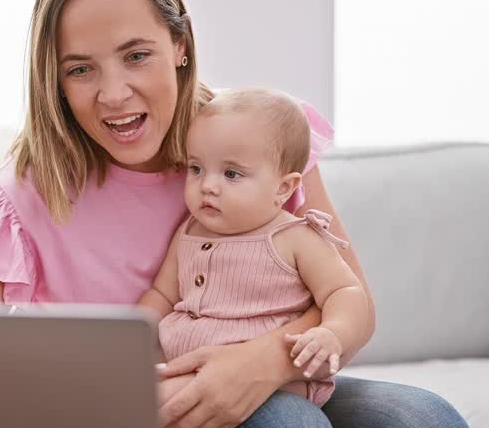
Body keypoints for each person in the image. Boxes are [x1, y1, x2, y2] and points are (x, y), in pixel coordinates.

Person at [0, 0, 481, 428]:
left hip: (274, 380)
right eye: (81, 69)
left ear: (179, 44)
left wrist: (262, 363)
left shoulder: (258, 142)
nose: (114, 93)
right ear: (54, 80)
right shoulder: (20, 198)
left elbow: (352, 305)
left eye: (136, 55)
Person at [142, 88, 364, 411]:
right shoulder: (188, 231)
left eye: (231, 174)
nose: (208, 185)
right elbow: (162, 294)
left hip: (275, 386)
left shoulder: (295, 237)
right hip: (186, 373)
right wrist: (131, 332)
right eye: (196, 169)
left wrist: (334, 332)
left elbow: (345, 290)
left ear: (283, 187)